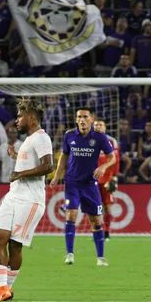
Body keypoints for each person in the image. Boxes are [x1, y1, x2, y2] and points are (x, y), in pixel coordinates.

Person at [0, 98, 54, 302]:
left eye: (20, 116)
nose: (16, 120)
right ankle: (1, 288)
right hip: (14, 195)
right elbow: (29, 164)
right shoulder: (28, 140)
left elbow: (48, 166)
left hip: (30, 200)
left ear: (32, 118)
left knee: (15, 245)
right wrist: (15, 157)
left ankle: (7, 289)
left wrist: (21, 174)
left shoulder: (41, 138)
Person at [50, 107, 116, 266]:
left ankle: (100, 257)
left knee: (95, 220)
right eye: (79, 116)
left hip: (90, 184)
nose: (82, 119)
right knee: (71, 216)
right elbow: (64, 157)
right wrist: (57, 175)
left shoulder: (99, 137)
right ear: (76, 119)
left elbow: (112, 158)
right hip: (72, 182)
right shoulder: (69, 135)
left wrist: (103, 167)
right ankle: (70, 254)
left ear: (91, 119)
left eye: (85, 116)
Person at [93, 120, 120, 241]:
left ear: (105, 127)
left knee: (107, 207)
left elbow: (116, 160)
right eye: (96, 125)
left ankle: (107, 232)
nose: (98, 126)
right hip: (93, 180)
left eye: (100, 124)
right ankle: (98, 232)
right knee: (95, 207)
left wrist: (114, 178)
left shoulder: (112, 141)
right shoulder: (89, 140)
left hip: (107, 179)